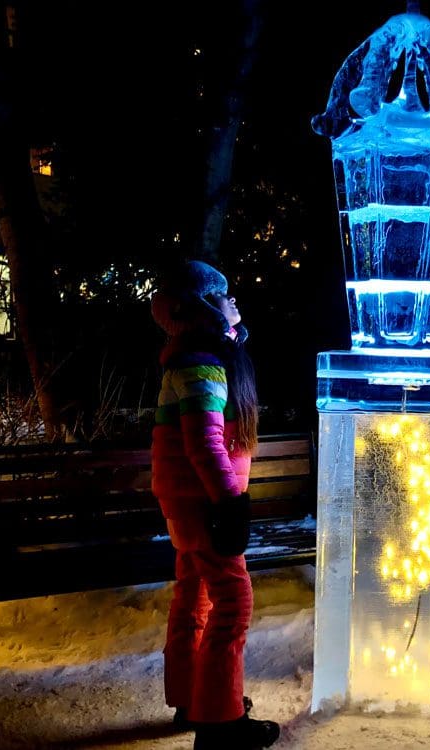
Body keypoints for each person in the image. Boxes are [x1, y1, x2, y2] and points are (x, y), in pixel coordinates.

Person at [150, 259, 279, 750]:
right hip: (203, 499)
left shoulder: (192, 354)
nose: (234, 302)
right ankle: (220, 725)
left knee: (194, 594)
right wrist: (230, 501)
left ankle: (192, 698)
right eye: (224, 295)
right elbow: (204, 442)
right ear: (204, 305)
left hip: (186, 497)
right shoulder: (202, 361)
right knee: (233, 600)